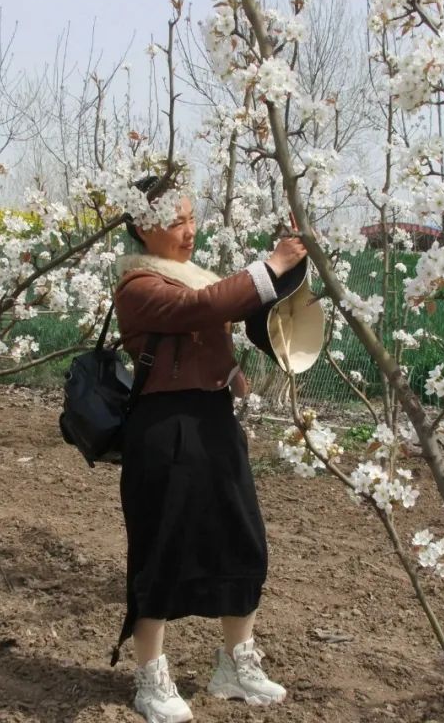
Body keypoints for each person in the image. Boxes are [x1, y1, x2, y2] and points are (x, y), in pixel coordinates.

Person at [111, 182, 307, 723]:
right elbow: (203, 308)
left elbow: (230, 307)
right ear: (144, 227)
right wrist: (269, 264)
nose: (190, 231)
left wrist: (288, 263)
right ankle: (150, 678)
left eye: (192, 218)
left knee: (240, 535)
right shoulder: (138, 284)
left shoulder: (192, 274)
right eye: (177, 222)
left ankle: (235, 664)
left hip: (213, 421)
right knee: (162, 545)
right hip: (164, 429)